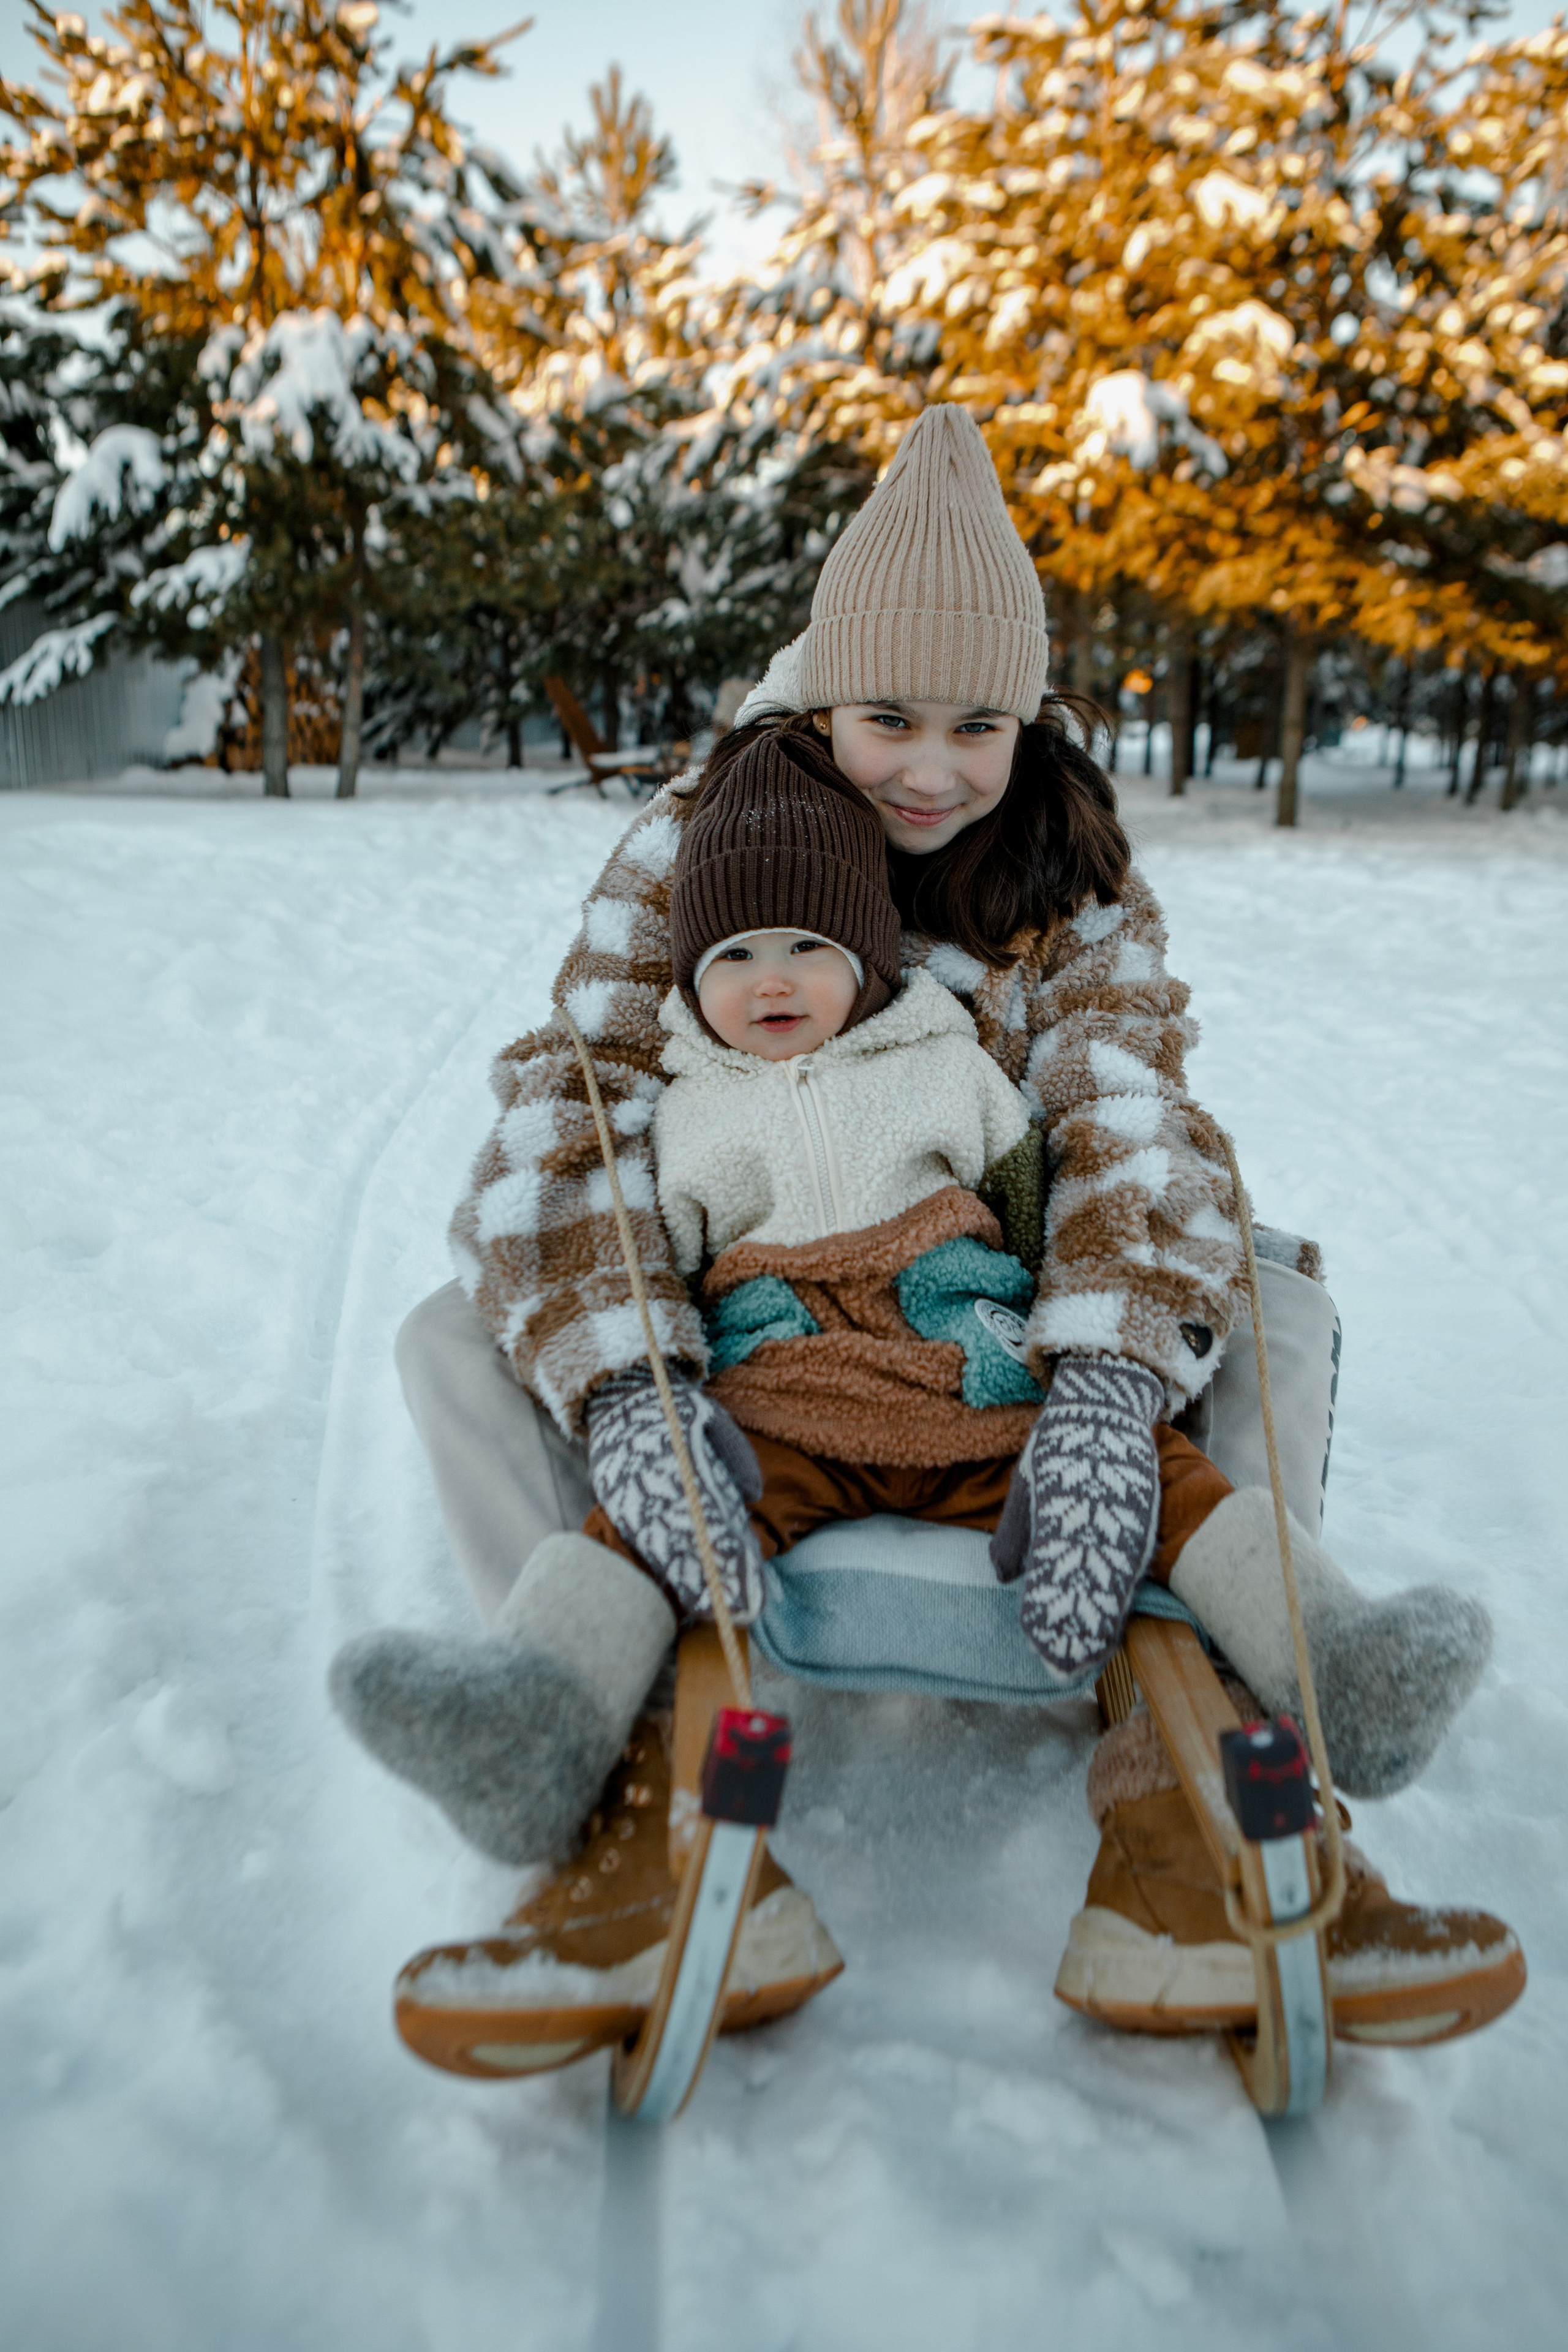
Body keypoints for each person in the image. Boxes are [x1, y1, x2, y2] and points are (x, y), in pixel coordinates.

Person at [332, 405, 1520, 2056]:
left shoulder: (1064, 871)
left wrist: (1106, 1390)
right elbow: (576, 1102)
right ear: (824, 696)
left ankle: (1227, 1796)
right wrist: (632, 1393)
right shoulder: (708, 839)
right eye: (889, 715)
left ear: (1031, 724)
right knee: (456, 1335)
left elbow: (1131, 1120)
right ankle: (611, 1799)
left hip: (996, 1330)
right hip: (751, 1333)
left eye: (983, 724)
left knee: (1267, 1301)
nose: (936, 768)